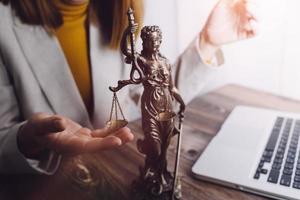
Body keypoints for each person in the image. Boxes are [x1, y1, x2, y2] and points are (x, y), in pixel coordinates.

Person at [0, 0, 257, 175]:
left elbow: (150, 94)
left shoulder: (117, 10)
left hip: (113, 175)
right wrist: (27, 139)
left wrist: (208, 43)